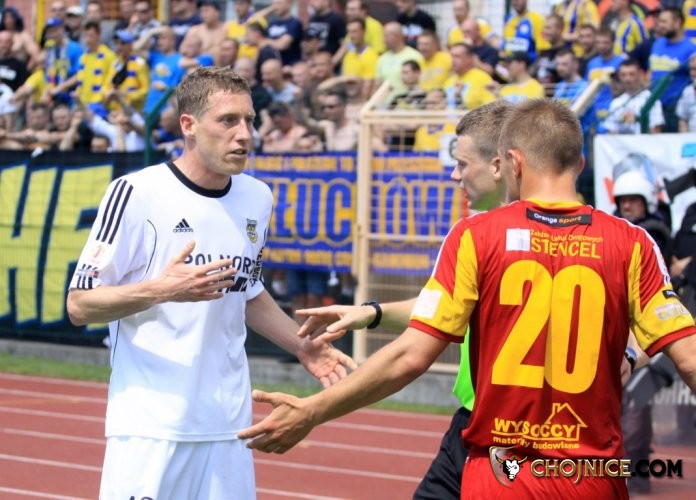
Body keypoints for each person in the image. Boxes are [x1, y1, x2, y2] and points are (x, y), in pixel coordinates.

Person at [238, 99, 696, 498]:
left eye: (462, 164)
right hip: (592, 476)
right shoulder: (632, 243)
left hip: (500, 471)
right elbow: (689, 359)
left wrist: (312, 410)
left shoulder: (477, 236)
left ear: (512, 162)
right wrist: (372, 313)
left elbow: (411, 356)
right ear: (580, 162)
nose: (456, 174)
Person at [65, 66, 355, 498]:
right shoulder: (136, 192)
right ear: (189, 125)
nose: (245, 135)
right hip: (152, 426)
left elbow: (248, 291)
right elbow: (79, 304)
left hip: (228, 427)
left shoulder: (257, 197)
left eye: (249, 120)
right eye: (228, 120)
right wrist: (164, 289)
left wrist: (301, 345)